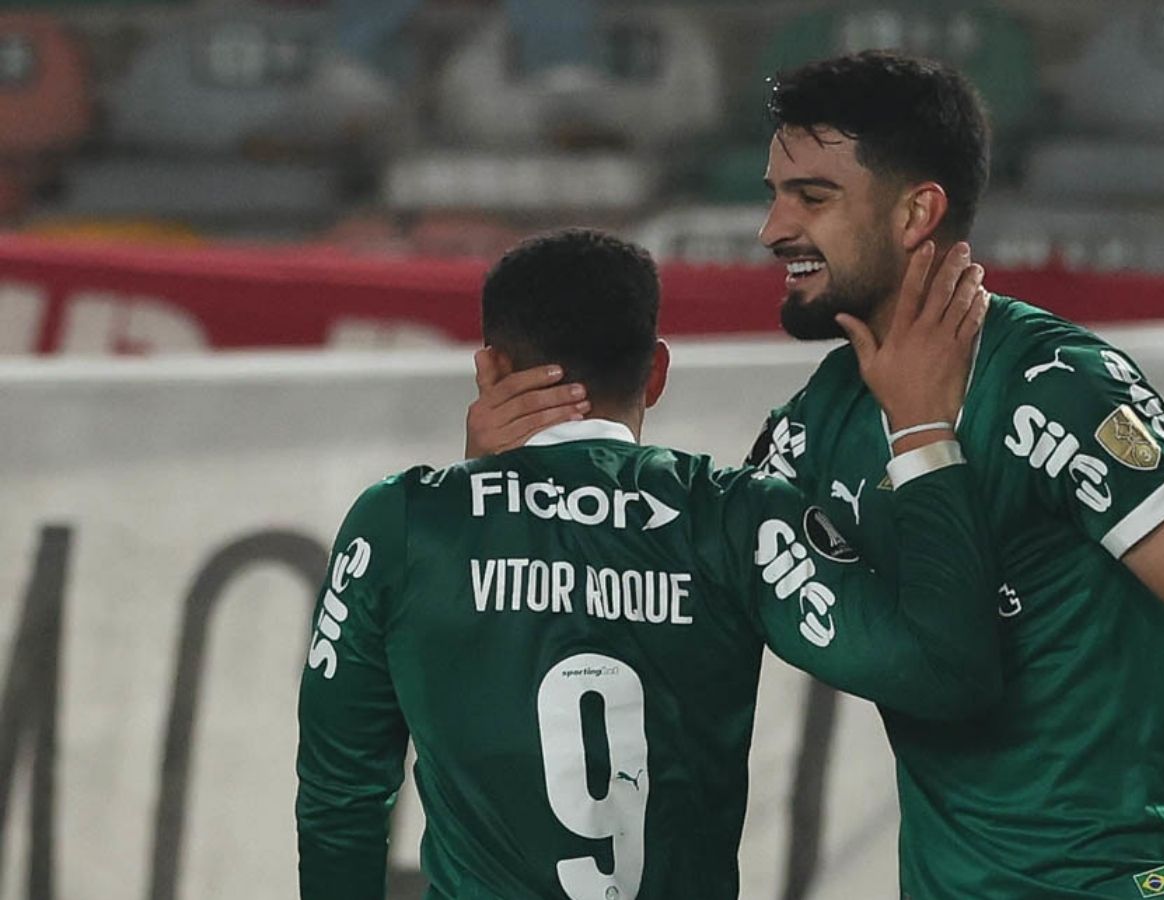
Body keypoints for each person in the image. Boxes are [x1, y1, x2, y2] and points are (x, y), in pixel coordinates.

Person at [467, 53, 1164, 900]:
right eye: (774, 194)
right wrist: (508, 484)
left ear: (917, 212)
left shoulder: (1057, 387)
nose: (772, 229)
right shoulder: (815, 424)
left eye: (812, 197)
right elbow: (659, 595)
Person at [296, 227, 999, 899]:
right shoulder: (733, 514)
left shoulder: (404, 522)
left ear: (492, 368)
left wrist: (482, 498)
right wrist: (923, 431)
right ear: (656, 370)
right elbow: (943, 672)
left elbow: (341, 793)